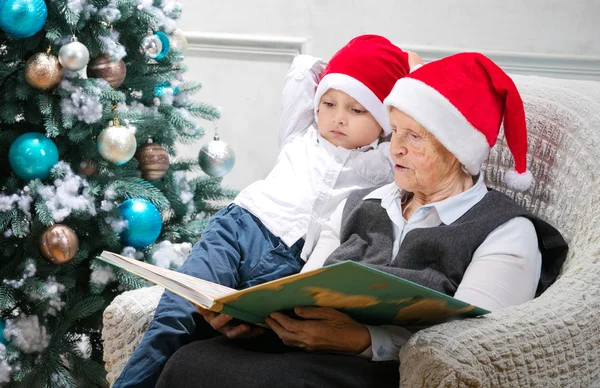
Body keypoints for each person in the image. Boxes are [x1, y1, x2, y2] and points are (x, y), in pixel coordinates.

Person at [153, 52, 568, 388]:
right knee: (191, 359)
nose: (394, 150)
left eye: (414, 137)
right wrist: (259, 321)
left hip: (387, 369)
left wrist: (364, 341)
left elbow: (481, 346)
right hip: (306, 353)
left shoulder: (506, 231)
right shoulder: (358, 204)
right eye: (395, 133)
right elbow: (304, 289)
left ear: (459, 152)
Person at [114, 35, 423, 387]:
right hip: (239, 230)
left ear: (384, 122)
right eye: (329, 103)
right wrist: (343, 68)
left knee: (240, 333)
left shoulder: (386, 165)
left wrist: (409, 72)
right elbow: (303, 70)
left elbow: (422, 126)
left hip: (294, 264)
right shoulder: (300, 134)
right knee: (178, 313)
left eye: (357, 110)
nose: (338, 118)